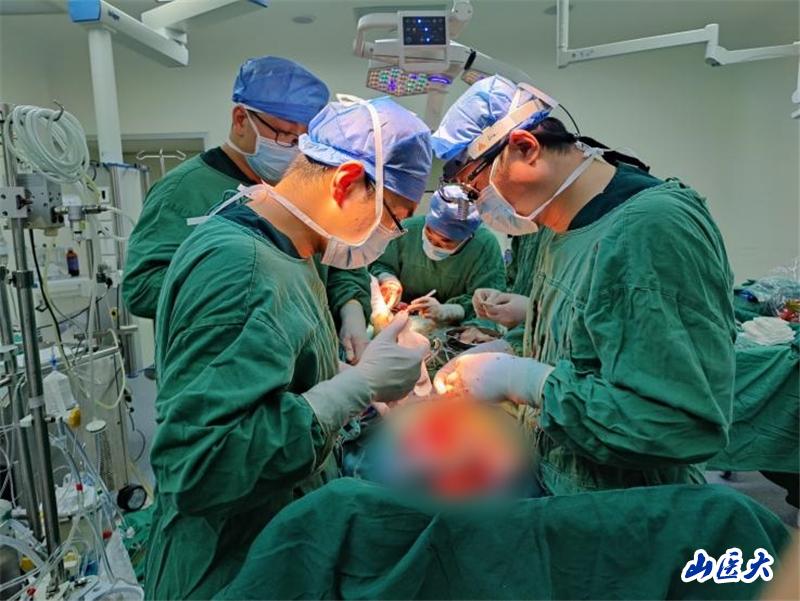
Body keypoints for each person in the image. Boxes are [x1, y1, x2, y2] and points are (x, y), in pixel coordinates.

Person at [144, 95, 433, 600]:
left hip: (273, 544)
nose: (389, 236)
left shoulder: (290, 248)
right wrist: (358, 386)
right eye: (392, 217)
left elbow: (270, 376)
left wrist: (351, 381)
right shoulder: (240, 268)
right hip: (228, 569)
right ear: (345, 182)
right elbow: (198, 468)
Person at [432, 75, 736, 495]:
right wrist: (508, 350)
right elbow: (581, 341)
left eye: (474, 185)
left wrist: (526, 381)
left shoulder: (652, 228)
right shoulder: (558, 227)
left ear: (526, 148)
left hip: (631, 508)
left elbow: (678, 424)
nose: (478, 203)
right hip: (564, 486)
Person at [123, 56, 372, 363]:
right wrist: (247, 287)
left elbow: (337, 258)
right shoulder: (183, 190)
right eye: (286, 135)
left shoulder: (301, 187)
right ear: (241, 119)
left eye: (306, 140)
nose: (296, 149)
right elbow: (141, 288)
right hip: (223, 368)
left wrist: (351, 309)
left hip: (306, 367)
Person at [369, 190, 505, 325]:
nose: (433, 243)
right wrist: (388, 279)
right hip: (400, 316)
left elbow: (490, 301)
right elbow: (380, 264)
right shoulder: (407, 229)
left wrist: (450, 310)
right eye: (429, 233)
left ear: (467, 237)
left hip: (455, 327)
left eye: (445, 242)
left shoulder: (484, 247)